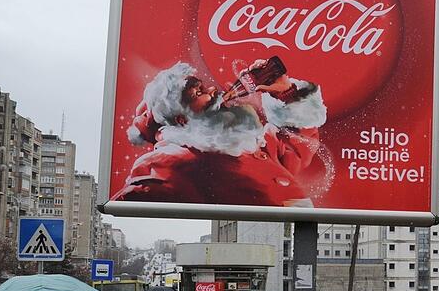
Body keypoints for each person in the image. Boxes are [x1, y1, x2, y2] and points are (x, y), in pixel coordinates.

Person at [112, 60, 329, 207]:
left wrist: (286, 92)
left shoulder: (248, 146)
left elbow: (298, 144)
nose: (213, 91)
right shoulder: (171, 161)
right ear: (182, 119)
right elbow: (134, 196)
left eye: (205, 87)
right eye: (199, 93)